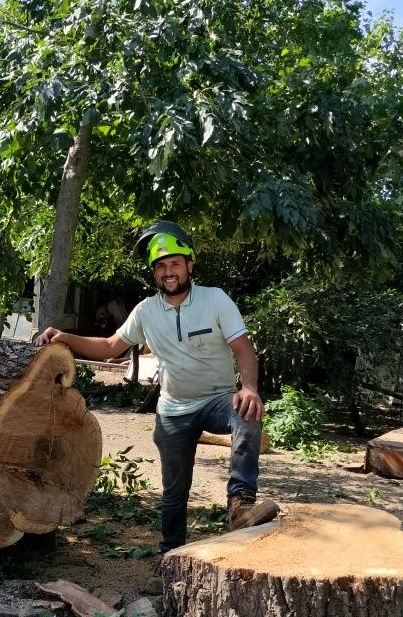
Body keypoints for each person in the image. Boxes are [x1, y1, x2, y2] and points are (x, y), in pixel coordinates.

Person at [35, 221, 278, 552]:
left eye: (175, 263)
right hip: (173, 412)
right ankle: (170, 560)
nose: (168, 271)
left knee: (247, 412)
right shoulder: (146, 311)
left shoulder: (215, 300)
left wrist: (249, 387)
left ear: (189, 265)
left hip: (217, 401)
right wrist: (64, 337)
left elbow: (243, 348)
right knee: (174, 492)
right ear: (154, 273)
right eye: (161, 266)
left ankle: (240, 505)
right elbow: (109, 347)